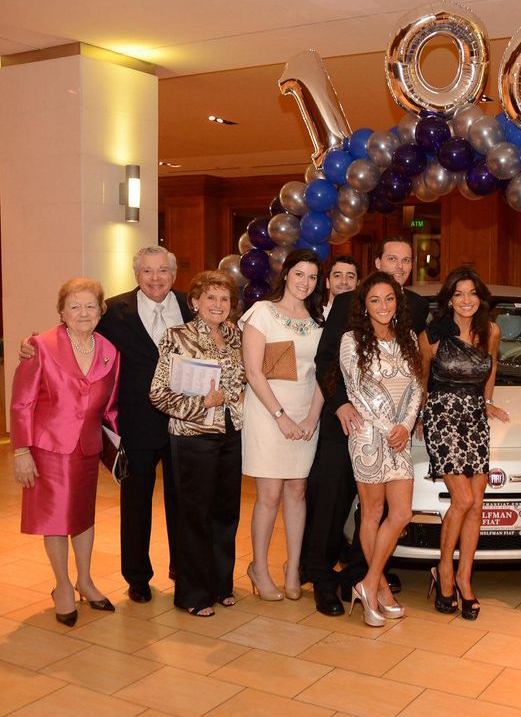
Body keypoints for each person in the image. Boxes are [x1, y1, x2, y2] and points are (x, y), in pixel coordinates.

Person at [18, 247, 193, 603]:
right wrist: (30, 345)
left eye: (162, 271)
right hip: (135, 424)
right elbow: (72, 331)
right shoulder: (113, 310)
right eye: (147, 271)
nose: (155, 278)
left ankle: (183, 570)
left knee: (184, 501)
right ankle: (138, 577)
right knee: (135, 505)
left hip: (184, 424)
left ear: (174, 275)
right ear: (136, 274)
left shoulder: (192, 306)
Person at [302, 236, 427, 617]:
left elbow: (417, 369)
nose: (400, 265)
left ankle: (366, 580)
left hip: (397, 429)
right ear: (377, 261)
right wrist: (340, 404)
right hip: (351, 421)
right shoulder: (348, 304)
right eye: (393, 258)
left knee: (380, 513)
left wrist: (410, 418)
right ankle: (322, 580)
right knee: (332, 502)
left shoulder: (416, 308)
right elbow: (328, 360)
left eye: (406, 260)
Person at [10, 278, 120, 626]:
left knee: (83, 516)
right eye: (75, 306)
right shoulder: (40, 346)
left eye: (90, 306)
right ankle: (61, 586)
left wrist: (118, 451)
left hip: (86, 448)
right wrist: (20, 451)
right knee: (55, 520)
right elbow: (22, 402)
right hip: (48, 449)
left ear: (101, 310)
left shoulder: (109, 351)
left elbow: (111, 408)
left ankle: (85, 581)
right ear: (62, 312)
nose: (83, 313)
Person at [149, 271, 246, 617]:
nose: (218, 305)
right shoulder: (177, 336)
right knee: (195, 516)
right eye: (210, 298)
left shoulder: (235, 338)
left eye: (224, 299)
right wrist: (200, 405)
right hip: (193, 436)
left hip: (230, 434)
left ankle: (221, 585)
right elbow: (158, 394)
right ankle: (192, 593)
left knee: (226, 514)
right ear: (194, 302)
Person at [418, 266, 508, 620]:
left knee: (477, 503)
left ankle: (464, 579)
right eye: (458, 294)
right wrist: (418, 415)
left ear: (480, 297)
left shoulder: (492, 331)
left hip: (474, 416)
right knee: (464, 498)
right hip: (441, 415)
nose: (466, 300)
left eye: (472, 293)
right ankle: (444, 571)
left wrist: (486, 401)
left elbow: (492, 366)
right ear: (449, 299)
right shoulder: (434, 334)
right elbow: (422, 376)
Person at [338, 271, 423, 626]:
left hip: (399, 438)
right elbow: (359, 392)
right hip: (368, 437)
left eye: (389, 299)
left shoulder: (407, 340)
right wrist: (392, 428)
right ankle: (381, 591)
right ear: (364, 305)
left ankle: (369, 582)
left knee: (401, 513)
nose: (383, 306)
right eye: (375, 300)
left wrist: (405, 425)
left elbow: (418, 385)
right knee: (372, 513)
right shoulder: (351, 340)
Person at [240, 249, 325, 601]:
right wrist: (281, 417)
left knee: (297, 491)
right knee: (270, 495)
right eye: (299, 274)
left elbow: (325, 373)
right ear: (286, 274)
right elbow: (254, 372)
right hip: (267, 414)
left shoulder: (320, 320)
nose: (305, 282)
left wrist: (310, 417)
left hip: (306, 414)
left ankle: (293, 568)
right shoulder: (262, 312)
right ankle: (259, 567)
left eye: (312, 277)